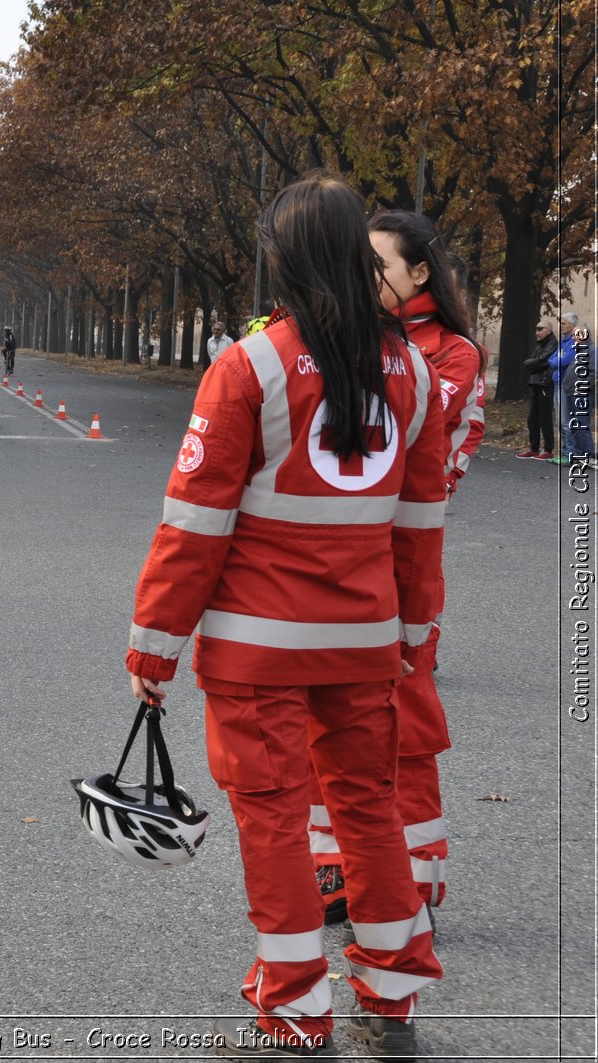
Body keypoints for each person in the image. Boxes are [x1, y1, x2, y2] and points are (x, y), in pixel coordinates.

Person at [125, 174, 445, 1058]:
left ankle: (296, 1012)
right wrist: (415, 633)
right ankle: (393, 995)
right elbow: (420, 528)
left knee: (271, 818)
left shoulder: (251, 364)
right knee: (370, 807)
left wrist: (153, 646)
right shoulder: (410, 369)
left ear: (285, 257)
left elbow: (193, 525)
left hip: (257, 648)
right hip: (365, 641)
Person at [301, 210, 484, 923]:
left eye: (380, 264)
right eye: (358, 263)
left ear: (419, 274)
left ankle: (414, 879)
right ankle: (336, 870)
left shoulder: (452, 355)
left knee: (404, 721)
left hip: (403, 558)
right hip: (339, 558)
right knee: (328, 716)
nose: (365, 278)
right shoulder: (348, 341)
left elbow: (411, 441)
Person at [551, 311, 592, 465]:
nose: (561, 326)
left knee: (566, 421)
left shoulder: (575, 343)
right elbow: (553, 358)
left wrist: (556, 361)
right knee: (560, 420)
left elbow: (563, 361)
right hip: (557, 382)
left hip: (565, 384)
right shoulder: (563, 342)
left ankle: (570, 453)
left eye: (564, 323)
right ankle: (566, 451)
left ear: (573, 325)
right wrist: (556, 361)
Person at [520, 322, 558, 459]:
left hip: (545, 383)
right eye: (536, 329)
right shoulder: (541, 344)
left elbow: (542, 361)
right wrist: (532, 363)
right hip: (536, 383)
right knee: (532, 418)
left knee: (545, 417)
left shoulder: (552, 344)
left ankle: (548, 449)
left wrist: (531, 363)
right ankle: (534, 448)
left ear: (548, 330)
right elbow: (535, 363)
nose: (537, 332)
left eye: (540, 329)